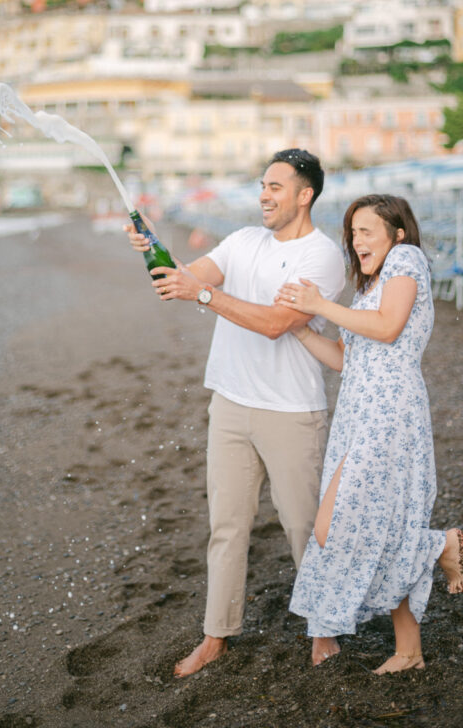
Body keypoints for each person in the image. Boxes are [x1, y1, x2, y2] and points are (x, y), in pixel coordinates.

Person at [125, 150, 347, 677]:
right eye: (262, 186)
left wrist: (202, 293)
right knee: (226, 527)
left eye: (275, 186)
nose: (264, 195)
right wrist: (154, 250)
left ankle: (324, 630)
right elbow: (177, 279)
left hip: (291, 411)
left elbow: (276, 322)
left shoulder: (324, 256)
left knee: (301, 528)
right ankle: (215, 636)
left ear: (304, 194)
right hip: (229, 401)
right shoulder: (244, 241)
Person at [275, 194, 463, 673]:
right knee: (380, 525)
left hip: (390, 412)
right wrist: (299, 329)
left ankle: (438, 546)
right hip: (358, 412)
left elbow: (388, 328)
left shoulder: (407, 259)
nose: (356, 240)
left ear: (396, 233)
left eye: (366, 230)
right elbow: (345, 358)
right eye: (352, 232)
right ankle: (409, 651)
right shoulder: (368, 288)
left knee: (334, 524)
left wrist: (321, 303)